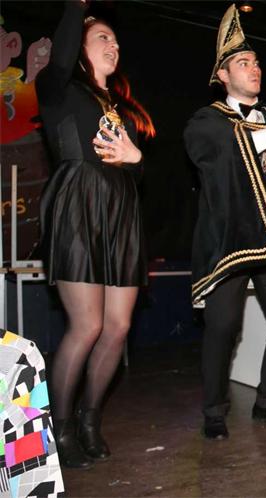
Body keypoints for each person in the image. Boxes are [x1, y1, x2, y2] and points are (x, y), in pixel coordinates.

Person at [36, 0, 155, 468]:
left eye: (116, 40)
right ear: (80, 48)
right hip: (78, 206)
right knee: (87, 325)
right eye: (102, 37)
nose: (114, 45)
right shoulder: (59, 88)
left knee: (118, 326)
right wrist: (77, 6)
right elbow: (61, 54)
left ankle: (89, 419)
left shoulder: (121, 109)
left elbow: (135, 170)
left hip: (121, 212)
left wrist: (137, 160)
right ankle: (60, 427)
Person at [184, 4, 266, 440]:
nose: (254, 68)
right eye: (243, 62)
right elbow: (217, 155)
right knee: (222, 328)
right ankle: (214, 411)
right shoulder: (208, 121)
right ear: (223, 74)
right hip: (231, 241)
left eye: (256, 62)